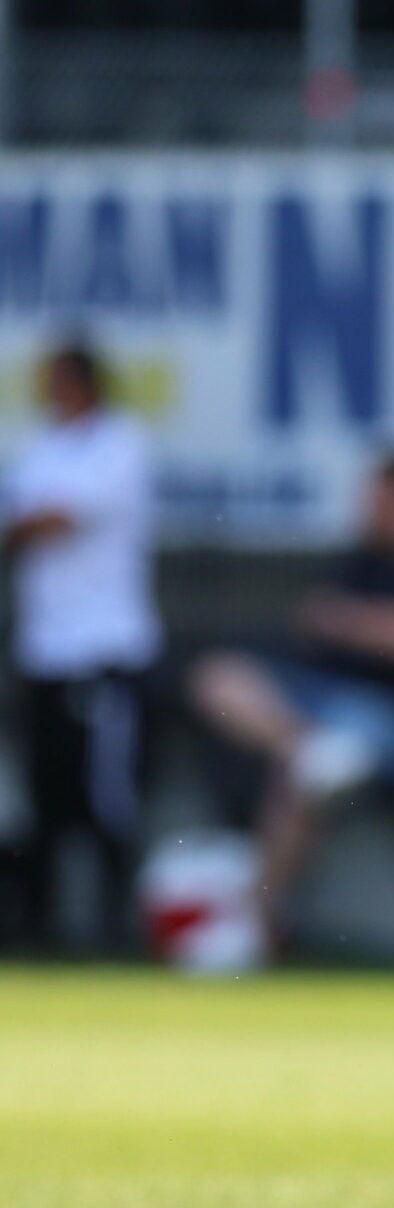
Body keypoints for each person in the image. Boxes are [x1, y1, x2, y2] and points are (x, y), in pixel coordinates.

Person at [186, 455, 394, 953]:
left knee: (331, 757)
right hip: (319, 713)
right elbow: (313, 622)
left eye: (381, 501)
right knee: (220, 678)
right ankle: (297, 746)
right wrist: (376, 626)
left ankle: (257, 917)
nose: (368, 512)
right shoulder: (360, 564)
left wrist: (350, 622)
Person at [4, 344, 156, 951]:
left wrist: (21, 524)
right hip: (44, 649)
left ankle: (115, 929)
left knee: (106, 800)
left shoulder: (121, 445)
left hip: (104, 648)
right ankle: (41, 930)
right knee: (45, 797)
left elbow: (50, 522)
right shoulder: (41, 449)